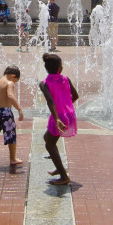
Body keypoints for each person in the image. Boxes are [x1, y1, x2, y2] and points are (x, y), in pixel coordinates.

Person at [38, 52, 79, 185]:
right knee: (47, 138)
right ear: (59, 68)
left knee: (49, 145)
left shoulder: (44, 83)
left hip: (58, 117)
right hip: (68, 114)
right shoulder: (66, 79)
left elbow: (50, 101)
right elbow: (76, 95)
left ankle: (63, 176)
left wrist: (57, 118)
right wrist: (67, 107)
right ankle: (59, 166)